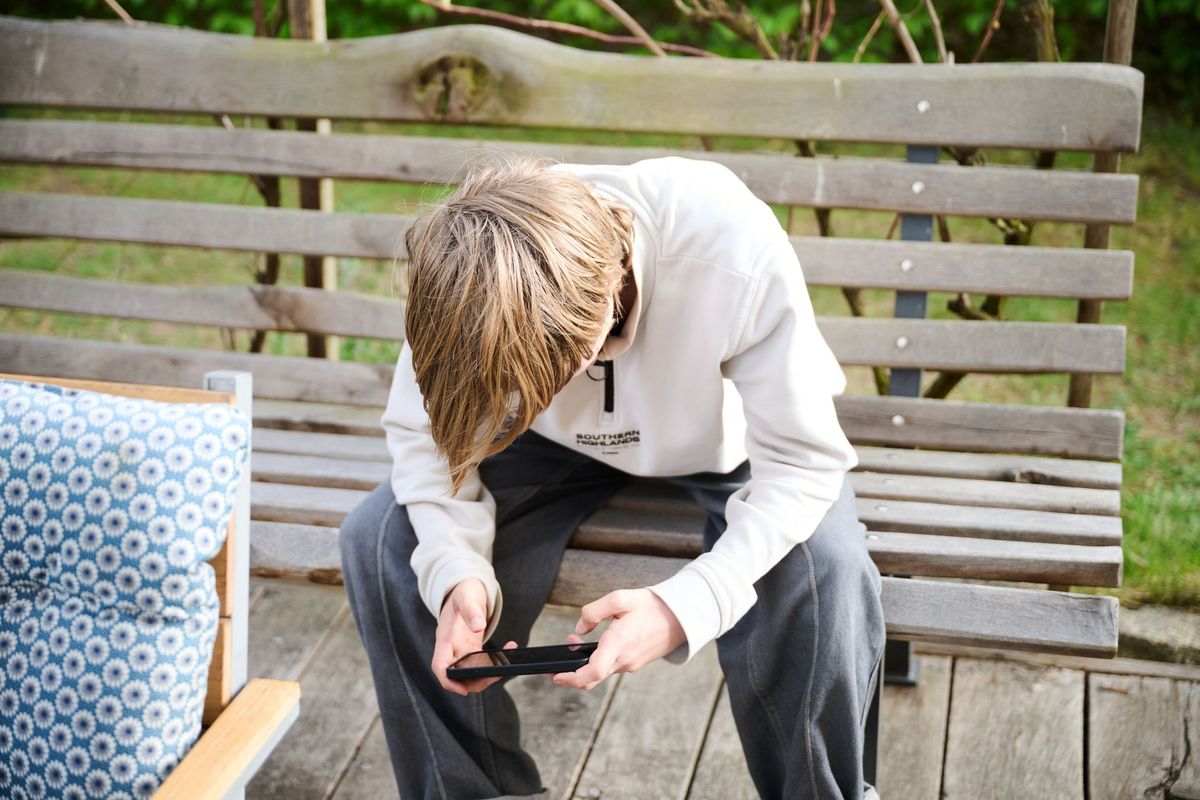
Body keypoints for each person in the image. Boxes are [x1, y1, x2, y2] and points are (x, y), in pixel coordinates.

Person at [337, 151, 887, 800]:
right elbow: (428, 432)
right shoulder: (474, 266)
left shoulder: (729, 241)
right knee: (383, 542)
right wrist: (454, 568)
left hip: (722, 446)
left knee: (825, 564)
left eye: (533, 376)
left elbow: (804, 460)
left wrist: (684, 606)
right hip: (542, 448)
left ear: (595, 324)